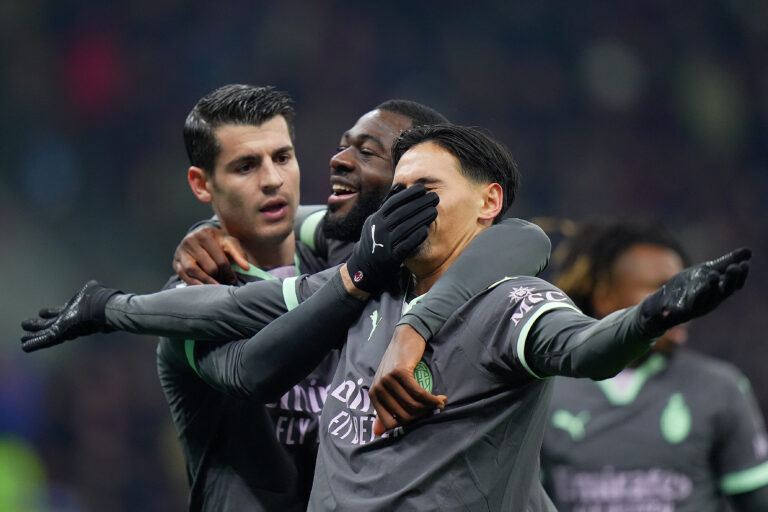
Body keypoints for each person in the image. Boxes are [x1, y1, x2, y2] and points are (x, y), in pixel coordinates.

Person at [22, 124, 750, 510]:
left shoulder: (511, 304)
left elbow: (586, 348)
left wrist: (654, 311)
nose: (404, 205)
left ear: (487, 203)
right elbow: (242, 298)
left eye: (425, 188)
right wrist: (110, 308)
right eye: (396, 191)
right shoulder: (363, 292)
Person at [539, 220, 768, 511]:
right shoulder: (546, 393)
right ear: (605, 297)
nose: (684, 299)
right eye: (662, 288)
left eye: (685, 285)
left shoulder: (720, 388)